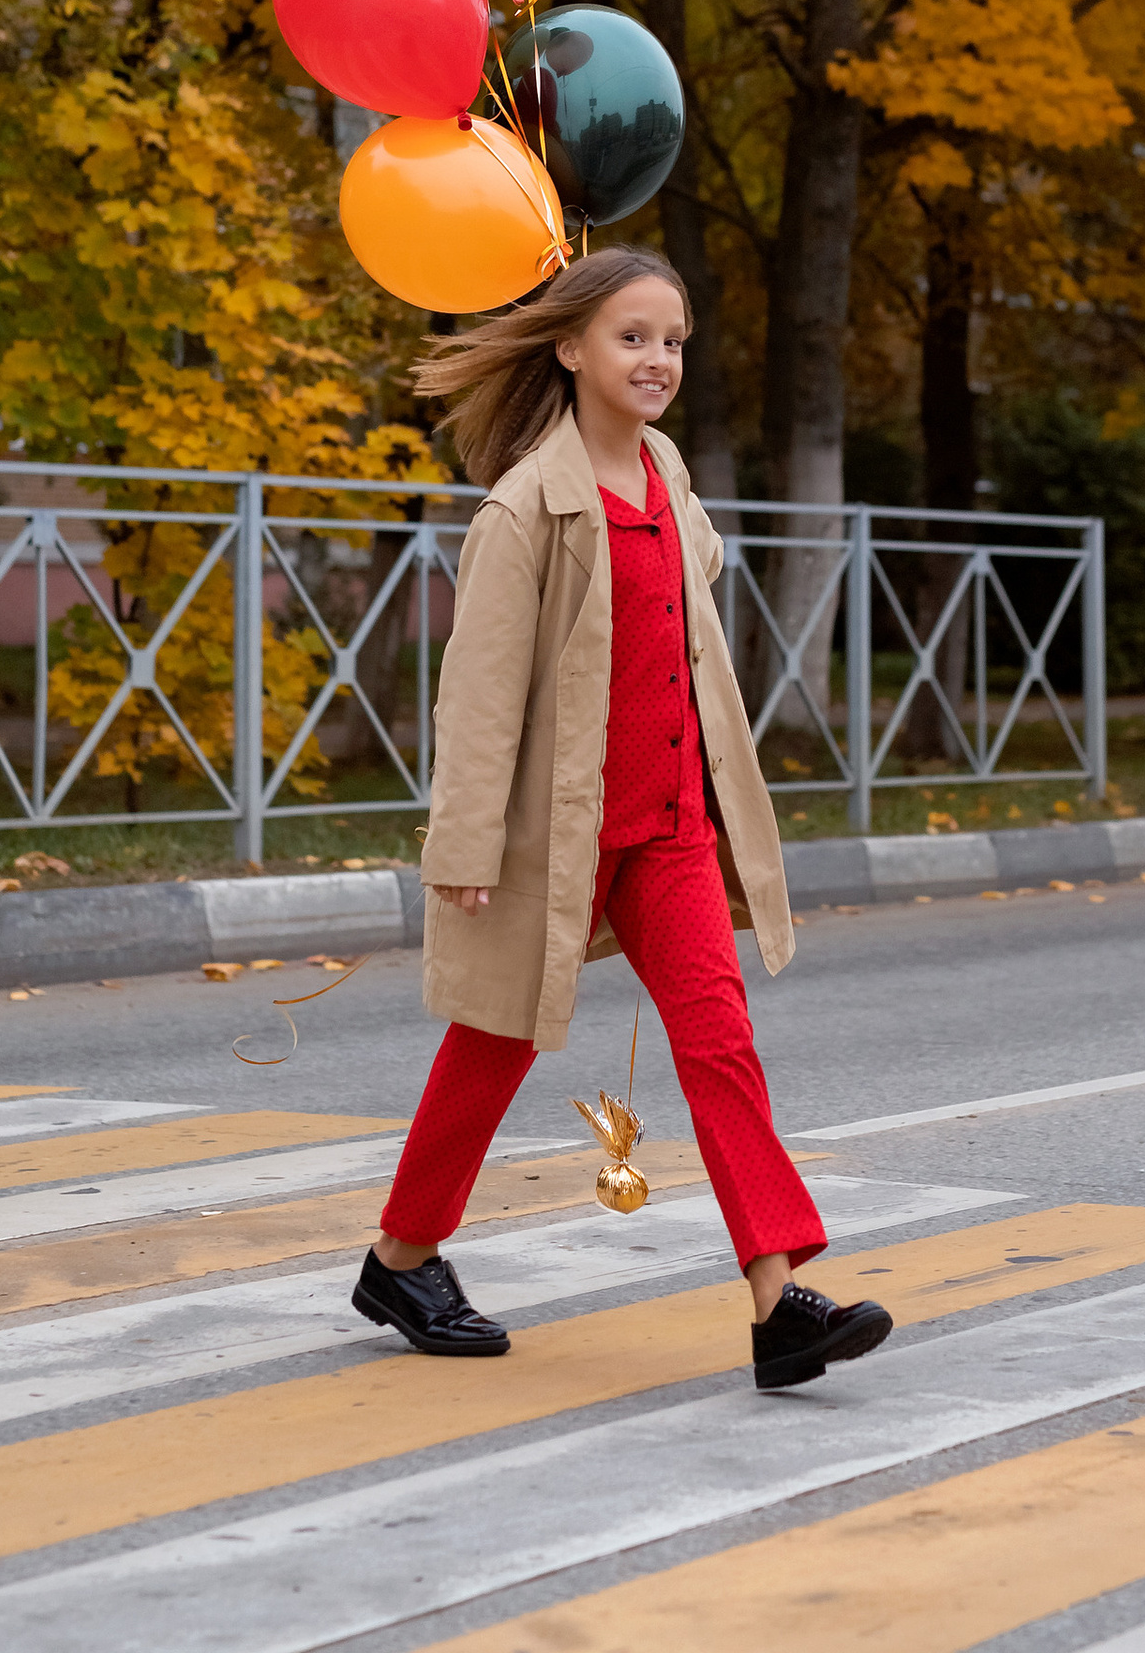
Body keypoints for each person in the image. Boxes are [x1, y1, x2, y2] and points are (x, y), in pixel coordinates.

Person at [354, 249, 892, 1395]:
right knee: (492, 1044)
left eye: (673, 341)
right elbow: (482, 689)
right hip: (556, 837)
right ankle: (401, 1258)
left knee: (719, 1044)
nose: (658, 361)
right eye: (631, 337)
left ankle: (778, 1303)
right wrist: (462, 845)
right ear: (569, 348)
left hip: (669, 830)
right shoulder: (522, 509)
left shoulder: (666, 477)